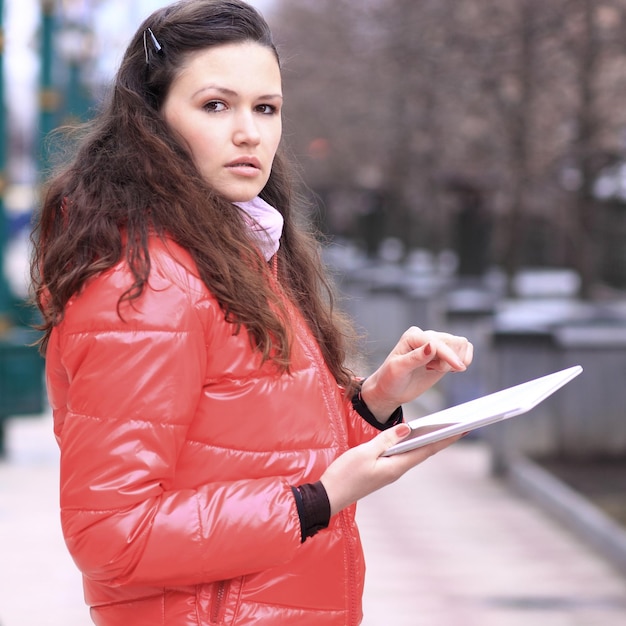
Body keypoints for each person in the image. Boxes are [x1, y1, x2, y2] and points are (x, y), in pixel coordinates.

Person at [30, 1, 473, 624]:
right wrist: (321, 501)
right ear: (151, 123)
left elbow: (260, 454)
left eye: (266, 108)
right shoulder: (147, 283)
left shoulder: (235, 255)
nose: (250, 132)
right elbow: (111, 536)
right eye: (216, 105)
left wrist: (375, 400)